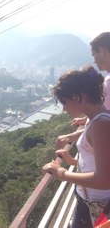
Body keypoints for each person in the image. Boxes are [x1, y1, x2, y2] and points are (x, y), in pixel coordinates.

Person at [43, 66, 110, 227]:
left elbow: (104, 180)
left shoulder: (101, 125)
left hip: (97, 204)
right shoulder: (96, 119)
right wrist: (73, 162)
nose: (64, 108)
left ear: (77, 98)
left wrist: (62, 173)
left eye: (64, 103)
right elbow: (98, 161)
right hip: (90, 199)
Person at [56, 32, 110, 149]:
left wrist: (73, 135)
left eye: (94, 54)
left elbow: (103, 120)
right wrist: (85, 118)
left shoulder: (108, 83)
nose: (94, 61)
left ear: (103, 51)